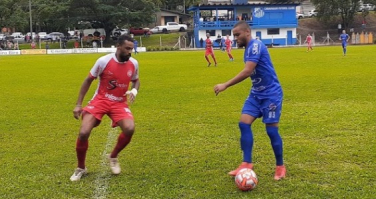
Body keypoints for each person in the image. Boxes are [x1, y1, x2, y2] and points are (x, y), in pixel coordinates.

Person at [213, 21, 286, 180]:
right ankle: (246, 163)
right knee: (243, 123)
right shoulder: (247, 49)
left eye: (237, 35)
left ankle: (280, 166)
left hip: (271, 94)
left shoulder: (255, 46)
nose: (235, 38)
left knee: (271, 131)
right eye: (234, 36)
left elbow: (247, 71)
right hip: (256, 94)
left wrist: (225, 84)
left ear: (247, 32)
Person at [70, 34, 140, 181]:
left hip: (119, 103)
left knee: (129, 128)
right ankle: (81, 167)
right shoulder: (103, 61)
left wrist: (134, 90)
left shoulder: (133, 63)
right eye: (127, 48)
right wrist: (78, 104)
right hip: (100, 100)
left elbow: (136, 81)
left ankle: (113, 156)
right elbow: (88, 80)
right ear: (118, 46)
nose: (130, 52)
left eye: (131, 49)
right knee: (83, 133)